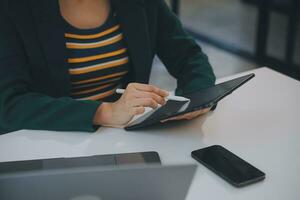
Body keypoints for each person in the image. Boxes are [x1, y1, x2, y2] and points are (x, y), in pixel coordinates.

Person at [0, 0, 216, 134]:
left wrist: (197, 97)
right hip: (44, 143)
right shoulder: (12, 8)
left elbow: (188, 56)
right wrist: (104, 112)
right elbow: (9, 105)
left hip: (117, 138)